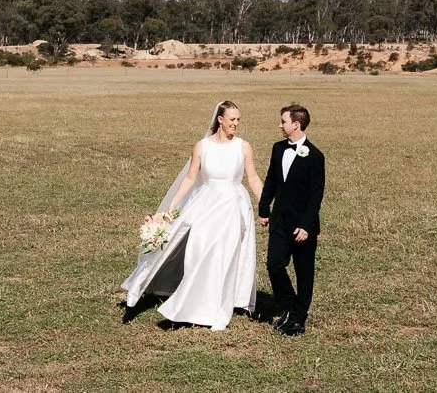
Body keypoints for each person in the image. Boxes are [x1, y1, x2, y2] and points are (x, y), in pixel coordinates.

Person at [121, 99, 264, 330]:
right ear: (220, 120)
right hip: (206, 204)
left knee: (223, 253)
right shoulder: (202, 146)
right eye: (232, 120)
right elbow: (190, 178)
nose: (236, 124)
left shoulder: (243, 147)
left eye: (238, 120)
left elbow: (254, 178)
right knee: (199, 251)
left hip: (233, 206)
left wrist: (266, 205)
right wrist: (171, 207)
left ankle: (217, 304)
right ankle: (187, 300)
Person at [258, 103, 324, 336]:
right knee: (274, 264)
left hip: (303, 226)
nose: (279, 125)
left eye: (283, 121)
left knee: (304, 272)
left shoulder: (315, 156)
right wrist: (264, 208)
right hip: (279, 221)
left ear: (296, 125)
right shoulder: (278, 149)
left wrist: (306, 226)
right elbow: (271, 180)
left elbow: (315, 196)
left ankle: (299, 319)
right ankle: (288, 307)